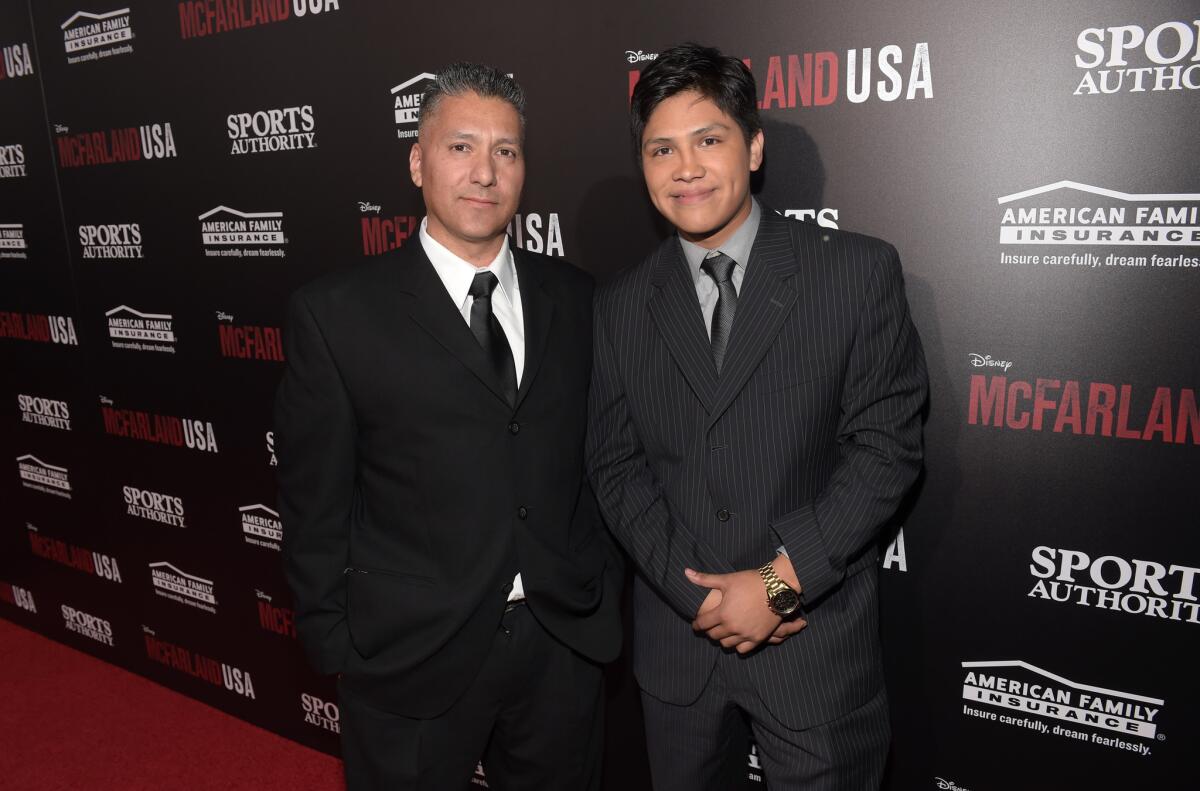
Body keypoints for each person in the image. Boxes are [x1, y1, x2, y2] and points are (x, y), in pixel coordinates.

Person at [587, 43, 928, 790]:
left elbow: (884, 451)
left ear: (755, 145)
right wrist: (704, 598)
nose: (686, 168)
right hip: (682, 649)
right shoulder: (619, 309)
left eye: (708, 139)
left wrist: (777, 585)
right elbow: (615, 470)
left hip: (815, 649)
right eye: (662, 148)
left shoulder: (856, 274)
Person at [276, 62, 622, 791]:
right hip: (409, 654)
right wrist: (336, 639)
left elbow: (599, 462)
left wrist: (597, 592)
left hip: (560, 644)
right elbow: (315, 500)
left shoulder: (579, 298)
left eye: (506, 150)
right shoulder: (337, 313)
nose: (484, 172)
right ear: (416, 161)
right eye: (461, 147)